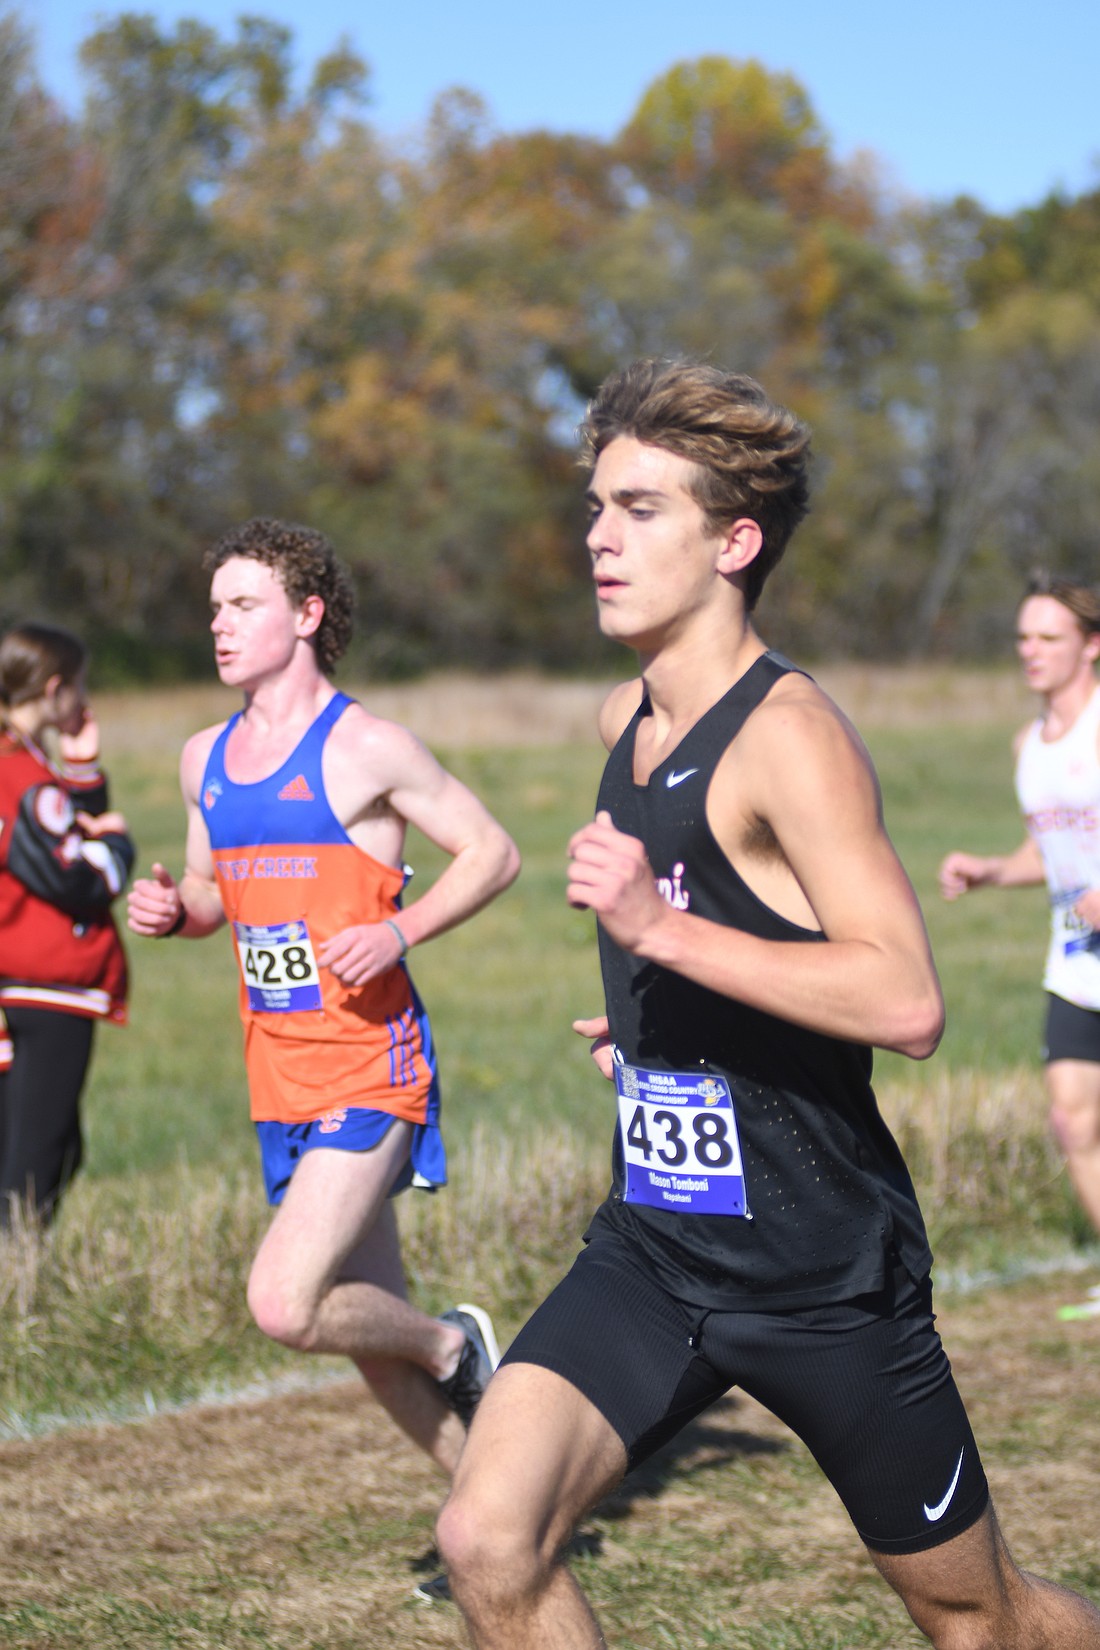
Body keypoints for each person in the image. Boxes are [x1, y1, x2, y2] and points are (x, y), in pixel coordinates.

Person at [435, 360, 1100, 1650]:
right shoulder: (625, 717)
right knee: (485, 1540)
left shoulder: (787, 733)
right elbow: (729, 945)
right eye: (593, 507)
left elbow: (905, 998)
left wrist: (658, 933)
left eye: (637, 510)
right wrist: (644, 1030)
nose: (595, 537)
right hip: (654, 1247)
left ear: (733, 541)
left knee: (980, 1620)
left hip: (817, 1272)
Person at [127, 517, 520, 1481]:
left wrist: (399, 929)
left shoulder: (368, 748)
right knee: (359, 1330)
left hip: (370, 1064)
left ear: (307, 615)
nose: (218, 625)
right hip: (279, 1073)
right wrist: (174, 911)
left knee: (287, 1303)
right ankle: (501, 1534)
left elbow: (494, 853)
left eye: (244, 605)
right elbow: (213, 896)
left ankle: (450, 1346)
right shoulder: (201, 760)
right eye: (214, 607)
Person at [940, 572, 1100, 1319]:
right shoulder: (1027, 745)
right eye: (1024, 638)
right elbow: (1051, 850)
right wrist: (993, 869)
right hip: (1074, 959)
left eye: (1049, 638)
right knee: (1073, 1117)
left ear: (1091, 646)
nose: (1031, 652)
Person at [0, 623, 134, 1227]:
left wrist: (82, 771)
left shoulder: (26, 765)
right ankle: (15, 1292)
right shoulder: (21, 775)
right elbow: (79, 877)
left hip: (18, 982)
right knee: (35, 1161)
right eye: (79, 686)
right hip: (45, 983)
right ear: (54, 690)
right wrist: (118, 845)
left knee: (44, 1145)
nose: (84, 700)